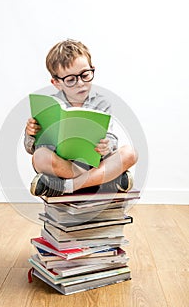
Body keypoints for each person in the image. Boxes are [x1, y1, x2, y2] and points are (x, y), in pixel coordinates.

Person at [24, 39, 138, 197]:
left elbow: (110, 137)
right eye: (70, 80)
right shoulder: (49, 106)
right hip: (65, 165)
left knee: (130, 153)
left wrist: (107, 146)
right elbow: (32, 149)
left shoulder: (101, 103)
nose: (80, 83)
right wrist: (30, 134)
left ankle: (66, 186)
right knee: (39, 157)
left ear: (92, 70)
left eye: (85, 75)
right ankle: (106, 180)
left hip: (95, 164)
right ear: (56, 83)